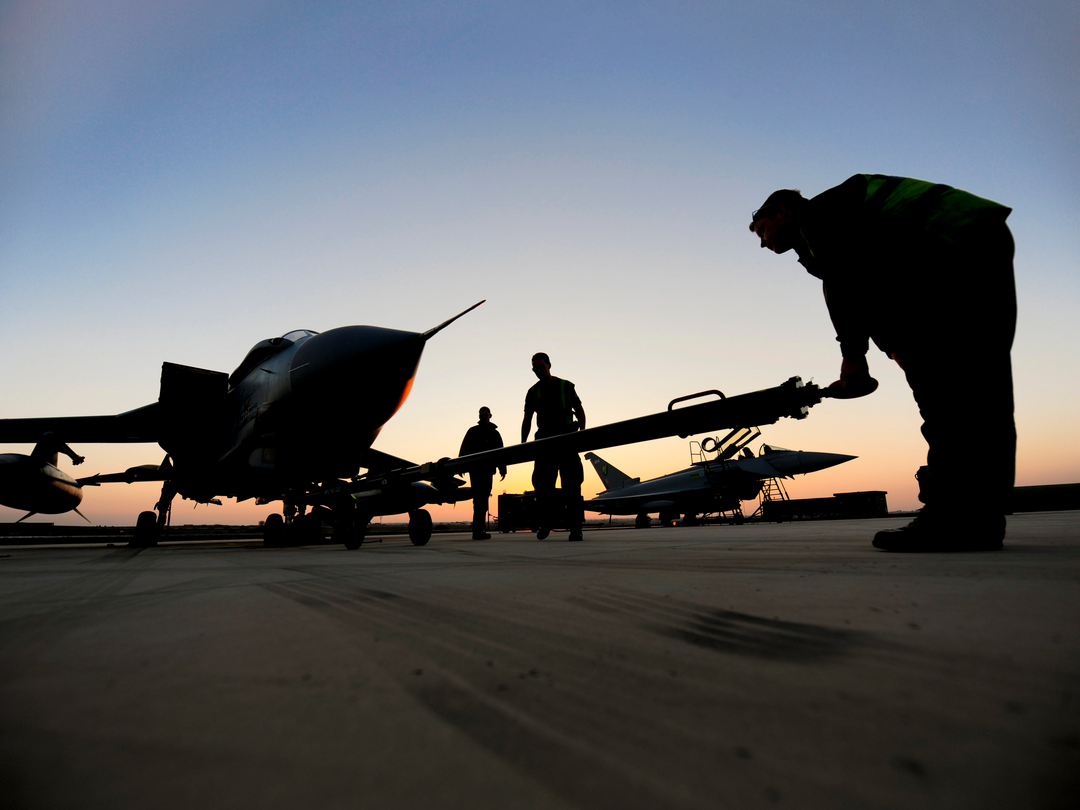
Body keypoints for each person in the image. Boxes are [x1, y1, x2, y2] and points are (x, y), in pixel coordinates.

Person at [749, 174, 1016, 552]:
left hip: (942, 240)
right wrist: (900, 347)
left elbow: (845, 281)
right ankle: (981, 519)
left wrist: (854, 359)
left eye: (762, 229)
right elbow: (878, 283)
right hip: (978, 232)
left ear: (782, 211)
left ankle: (953, 517)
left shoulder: (819, 217)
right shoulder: (852, 219)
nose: (763, 242)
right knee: (982, 386)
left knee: (943, 394)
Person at [521, 352, 587, 541]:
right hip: (544, 442)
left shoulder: (566, 386)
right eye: (535, 369)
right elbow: (527, 420)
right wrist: (523, 444)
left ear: (549, 365)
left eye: (541, 367)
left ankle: (576, 529)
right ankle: (546, 523)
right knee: (542, 487)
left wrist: (582, 434)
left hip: (567, 439)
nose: (538, 371)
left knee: (572, 486)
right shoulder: (532, 392)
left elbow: (580, 411)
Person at [458, 407, 507, 540]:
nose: (483, 417)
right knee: (478, 500)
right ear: (479, 416)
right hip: (475, 471)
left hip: (488, 471)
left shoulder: (494, 434)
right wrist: (460, 466)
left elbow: (501, 452)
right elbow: (464, 449)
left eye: (485, 415)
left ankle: (479, 530)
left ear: (490, 415)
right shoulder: (472, 431)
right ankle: (478, 531)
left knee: (483, 500)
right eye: (481, 415)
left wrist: (503, 468)